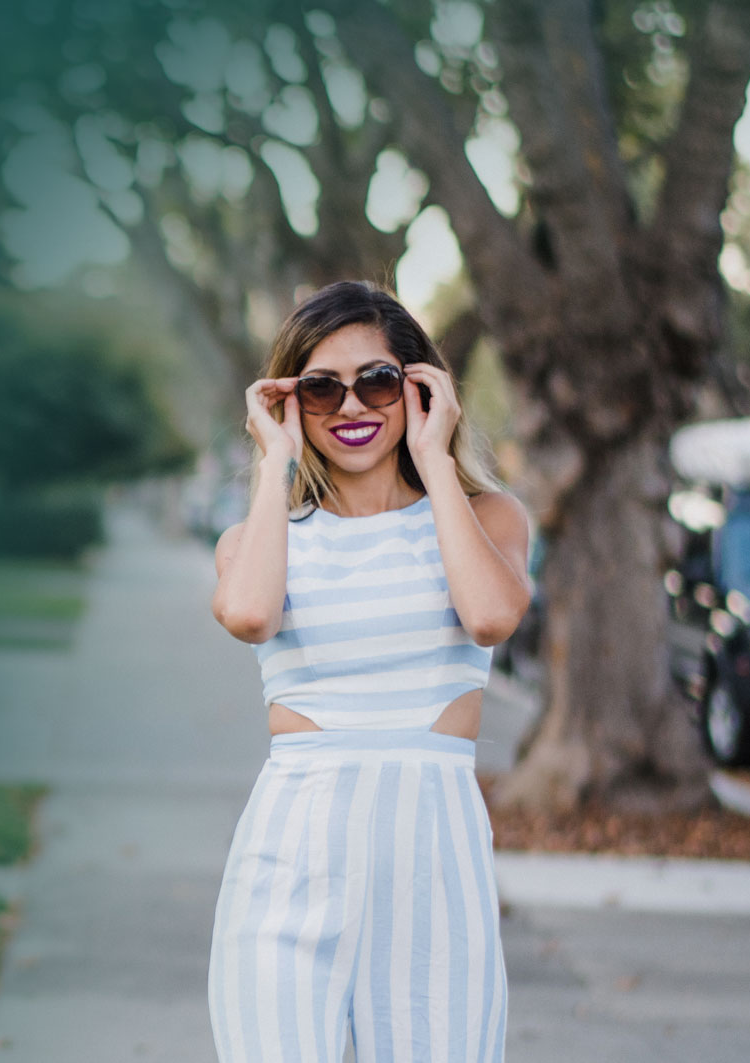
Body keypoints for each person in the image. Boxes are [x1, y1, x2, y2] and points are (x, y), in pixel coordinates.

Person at [207, 280, 531, 1063]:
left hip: (434, 866)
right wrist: (273, 459)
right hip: (290, 861)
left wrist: (433, 456)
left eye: (377, 381)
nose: (350, 406)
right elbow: (250, 614)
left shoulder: (485, 519)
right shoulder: (259, 539)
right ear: (290, 400)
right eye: (321, 387)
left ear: (421, 388)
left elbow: (490, 616)